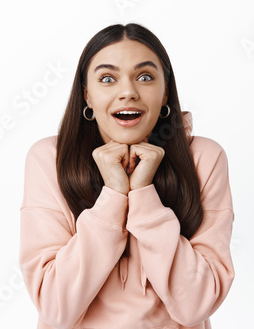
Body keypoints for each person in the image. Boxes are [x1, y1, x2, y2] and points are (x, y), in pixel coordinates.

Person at [19, 23, 235, 329]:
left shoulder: (203, 158)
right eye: (107, 79)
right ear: (87, 96)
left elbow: (195, 306)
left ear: (165, 94)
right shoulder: (48, 159)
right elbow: (55, 308)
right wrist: (114, 196)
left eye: (145, 77)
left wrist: (144, 194)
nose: (128, 92)